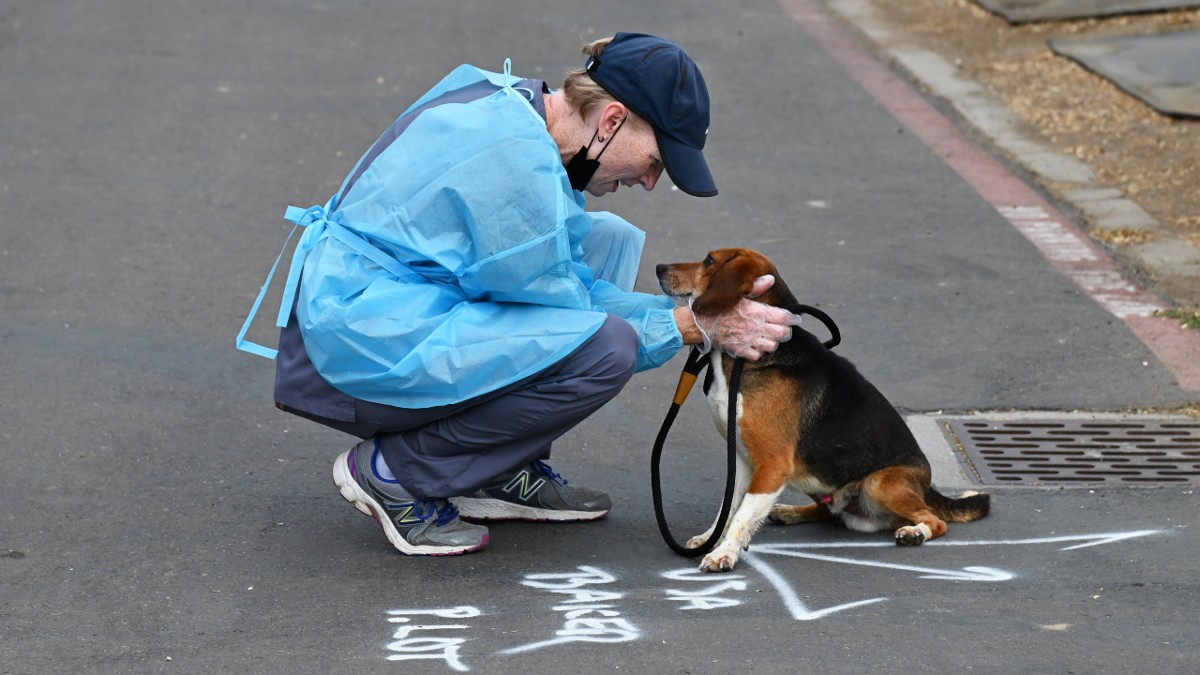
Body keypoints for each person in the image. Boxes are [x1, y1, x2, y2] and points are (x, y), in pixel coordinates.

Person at [237, 32, 799, 556]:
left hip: (378, 313)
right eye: (656, 161)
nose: (651, 182)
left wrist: (692, 315)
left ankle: (493, 466)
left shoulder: (517, 105)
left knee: (603, 240)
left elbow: (562, 289)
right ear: (611, 119)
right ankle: (396, 473)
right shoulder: (513, 165)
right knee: (606, 349)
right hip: (359, 348)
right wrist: (695, 324)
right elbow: (566, 314)